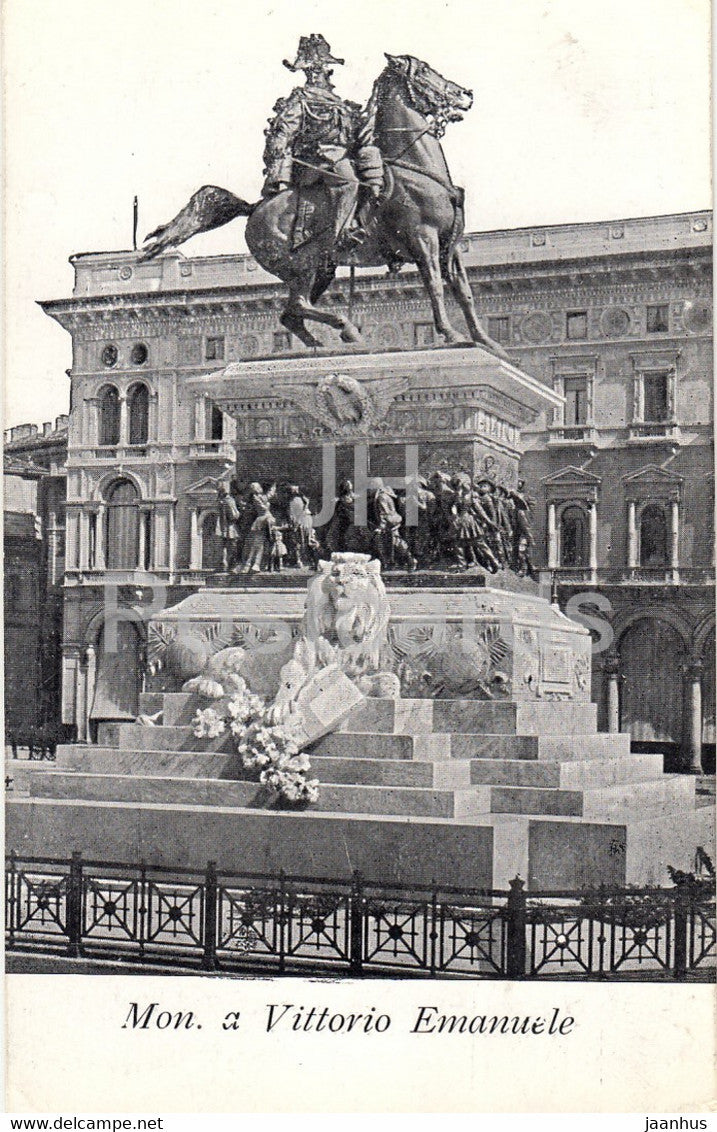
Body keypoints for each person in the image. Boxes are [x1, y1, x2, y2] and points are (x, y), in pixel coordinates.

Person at [262, 34, 383, 250]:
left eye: (323, 70)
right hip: (315, 161)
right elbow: (282, 133)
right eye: (315, 70)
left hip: (340, 157)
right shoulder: (300, 100)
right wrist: (280, 168)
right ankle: (342, 234)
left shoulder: (339, 103)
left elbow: (354, 134)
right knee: (350, 182)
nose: (321, 75)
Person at [240, 482, 277, 573]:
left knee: (260, 544)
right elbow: (263, 508)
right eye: (258, 487)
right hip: (262, 520)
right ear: (255, 489)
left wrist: (274, 486)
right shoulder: (256, 498)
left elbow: (269, 496)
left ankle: (253, 564)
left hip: (265, 519)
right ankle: (253, 564)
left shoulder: (259, 497)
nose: (260, 488)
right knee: (258, 544)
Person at [286, 484, 321, 569]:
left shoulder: (295, 501)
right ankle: (306, 560)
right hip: (304, 521)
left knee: (300, 541)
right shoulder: (299, 500)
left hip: (302, 521)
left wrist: (295, 522)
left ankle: (303, 560)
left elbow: (292, 514)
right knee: (305, 540)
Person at [216, 482, 242, 572]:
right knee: (233, 547)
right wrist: (239, 512)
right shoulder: (229, 500)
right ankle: (232, 566)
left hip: (223, 527)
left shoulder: (220, 501)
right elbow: (234, 516)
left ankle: (223, 564)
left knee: (224, 547)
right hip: (230, 527)